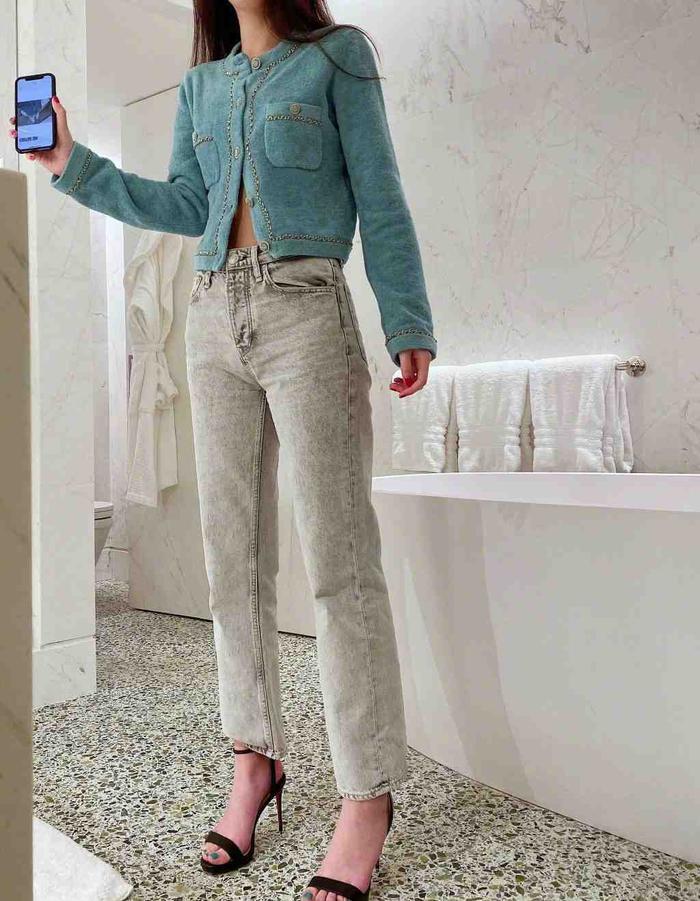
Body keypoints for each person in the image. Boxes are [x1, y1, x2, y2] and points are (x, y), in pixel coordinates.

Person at [9, 2, 437, 898]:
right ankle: (254, 762)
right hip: (211, 321)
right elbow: (185, 203)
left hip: (307, 310)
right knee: (231, 564)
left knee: (339, 563)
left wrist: (407, 317)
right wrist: (70, 163)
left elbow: (382, 192)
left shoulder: (337, 57)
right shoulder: (202, 85)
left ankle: (366, 795)